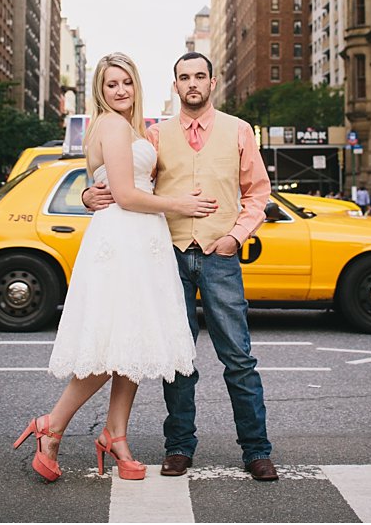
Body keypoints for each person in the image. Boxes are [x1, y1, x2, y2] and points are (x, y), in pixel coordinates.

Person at [14, 52, 217, 483]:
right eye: (111, 85)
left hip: (144, 241)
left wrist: (93, 192)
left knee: (135, 344)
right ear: (100, 92)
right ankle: (51, 426)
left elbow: (113, 182)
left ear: (136, 85)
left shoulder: (135, 128)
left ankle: (115, 435)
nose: (120, 90)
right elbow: (125, 194)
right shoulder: (108, 123)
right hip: (124, 238)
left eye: (126, 82)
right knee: (110, 348)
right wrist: (180, 205)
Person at [83, 52, 278, 481]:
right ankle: (179, 447)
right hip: (167, 253)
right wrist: (87, 195)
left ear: (212, 82)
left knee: (238, 357)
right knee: (178, 358)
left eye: (199, 76)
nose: (192, 83)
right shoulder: (153, 136)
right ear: (175, 85)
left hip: (219, 255)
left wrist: (235, 236)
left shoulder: (239, 130)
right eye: (184, 77)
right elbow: (120, 177)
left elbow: (258, 193)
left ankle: (256, 450)